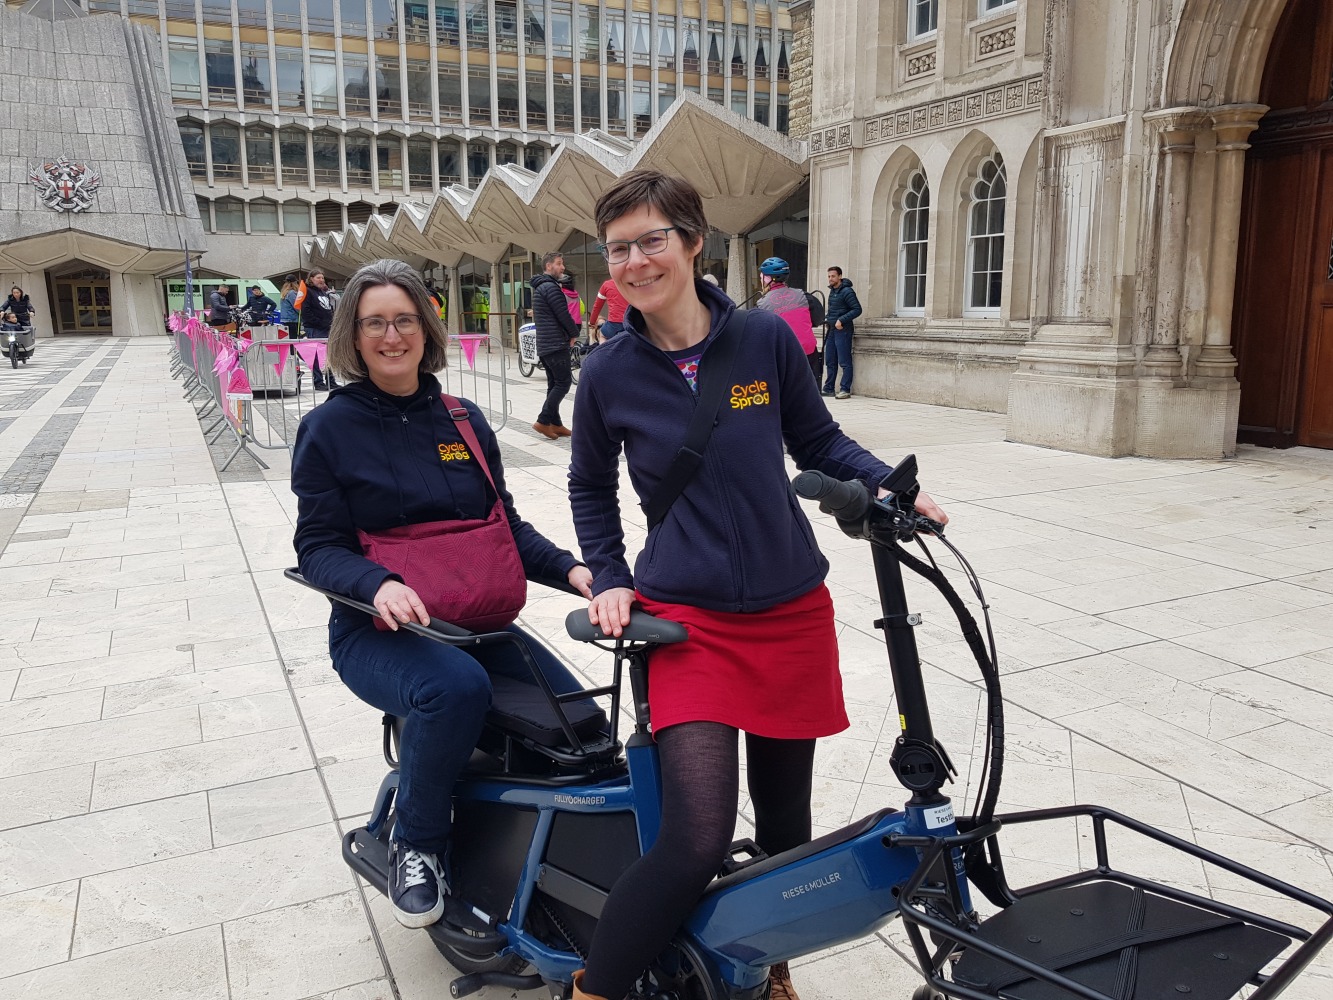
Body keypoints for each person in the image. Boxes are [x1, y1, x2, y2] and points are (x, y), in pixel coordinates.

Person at [567, 170, 948, 1000]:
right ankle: (591, 992)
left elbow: (817, 440)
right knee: (696, 838)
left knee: (785, 829)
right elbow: (590, 488)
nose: (636, 261)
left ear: (693, 241)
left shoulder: (763, 340)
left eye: (651, 240)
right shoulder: (608, 372)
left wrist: (893, 487)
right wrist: (609, 577)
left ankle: (768, 969)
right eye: (619, 247)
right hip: (686, 622)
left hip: (788, 614)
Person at [291, 257, 595, 930]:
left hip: (479, 623)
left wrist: (574, 570)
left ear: (426, 331)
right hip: (380, 634)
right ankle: (417, 844)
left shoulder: (461, 420)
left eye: (404, 320)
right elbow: (316, 548)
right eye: (375, 323)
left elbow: (504, 526)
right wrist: (379, 583)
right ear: (352, 334)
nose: (391, 336)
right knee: (455, 689)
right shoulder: (328, 430)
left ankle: (521, 847)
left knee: (583, 725)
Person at [530, 251, 579, 439]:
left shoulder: (541, 287)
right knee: (563, 383)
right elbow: (563, 314)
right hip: (555, 343)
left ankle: (555, 423)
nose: (563, 267)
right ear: (549, 266)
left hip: (545, 344)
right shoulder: (551, 288)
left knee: (554, 384)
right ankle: (543, 421)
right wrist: (573, 333)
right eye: (559, 263)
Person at [754, 257, 820, 380]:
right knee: (812, 391)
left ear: (768, 278)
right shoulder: (803, 295)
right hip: (808, 351)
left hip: (784, 355)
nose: (761, 280)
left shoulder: (762, 304)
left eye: (761, 276)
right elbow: (818, 318)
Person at [821, 266, 862, 399]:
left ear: (839, 276)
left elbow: (857, 309)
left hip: (843, 330)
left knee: (844, 361)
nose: (830, 279)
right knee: (830, 360)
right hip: (832, 330)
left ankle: (845, 389)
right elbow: (833, 309)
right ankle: (829, 388)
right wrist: (828, 320)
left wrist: (841, 320)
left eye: (833, 276)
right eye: (829, 276)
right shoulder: (833, 291)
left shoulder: (847, 291)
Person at [301, 271, 338, 390]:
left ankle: (330, 380)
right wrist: (319, 322)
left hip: (327, 327)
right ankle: (318, 381)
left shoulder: (323, 292)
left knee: (329, 355)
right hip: (315, 328)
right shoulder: (307, 292)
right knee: (317, 356)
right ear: (311, 278)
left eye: (322, 277)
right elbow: (306, 312)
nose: (321, 280)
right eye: (318, 278)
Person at [587, 275, 629, 343]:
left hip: (614, 324)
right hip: (629, 322)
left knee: (602, 334)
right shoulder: (630, 283)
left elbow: (597, 307)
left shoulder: (607, 285)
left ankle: (604, 352)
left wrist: (592, 322)